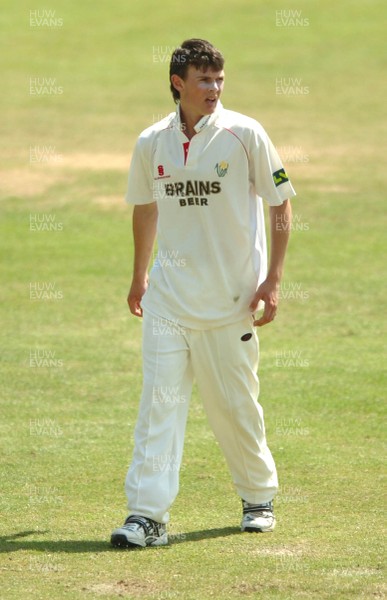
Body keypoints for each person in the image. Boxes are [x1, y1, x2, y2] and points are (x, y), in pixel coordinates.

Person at [111, 39, 296, 548]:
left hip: (230, 302)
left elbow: (281, 205)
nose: (213, 89)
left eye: (219, 80)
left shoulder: (245, 134)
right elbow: (145, 208)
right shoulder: (152, 141)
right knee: (159, 406)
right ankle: (146, 516)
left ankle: (257, 496)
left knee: (234, 405)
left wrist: (273, 280)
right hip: (168, 302)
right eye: (203, 80)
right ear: (178, 84)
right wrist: (138, 276)